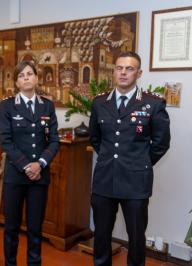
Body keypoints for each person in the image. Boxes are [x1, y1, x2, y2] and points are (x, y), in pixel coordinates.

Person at [89, 51, 171, 266]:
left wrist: (139, 163)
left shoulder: (152, 104)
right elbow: (96, 139)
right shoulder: (99, 103)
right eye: (119, 68)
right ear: (114, 71)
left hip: (135, 182)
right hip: (105, 179)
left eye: (129, 68)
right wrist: (111, 160)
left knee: (136, 238)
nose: (123, 72)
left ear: (139, 73)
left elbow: (161, 144)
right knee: (101, 235)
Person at [0, 60, 59, 265]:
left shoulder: (47, 106)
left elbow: (54, 141)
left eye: (29, 74)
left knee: (35, 229)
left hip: (39, 177)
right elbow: (6, 142)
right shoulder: (7, 106)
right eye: (21, 75)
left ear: (36, 78)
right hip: (15, 176)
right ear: (16, 82)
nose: (26, 78)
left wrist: (40, 164)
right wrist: (27, 166)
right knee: (11, 228)